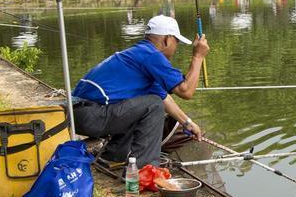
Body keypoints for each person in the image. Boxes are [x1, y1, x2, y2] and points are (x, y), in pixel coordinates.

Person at [72, 15, 209, 169]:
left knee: (149, 102)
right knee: (153, 105)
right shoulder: (151, 55)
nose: (176, 47)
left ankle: (113, 156)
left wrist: (188, 123)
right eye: (176, 41)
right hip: (91, 115)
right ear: (167, 39)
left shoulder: (139, 54)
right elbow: (186, 91)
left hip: (78, 115)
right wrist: (198, 57)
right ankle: (145, 169)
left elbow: (163, 97)